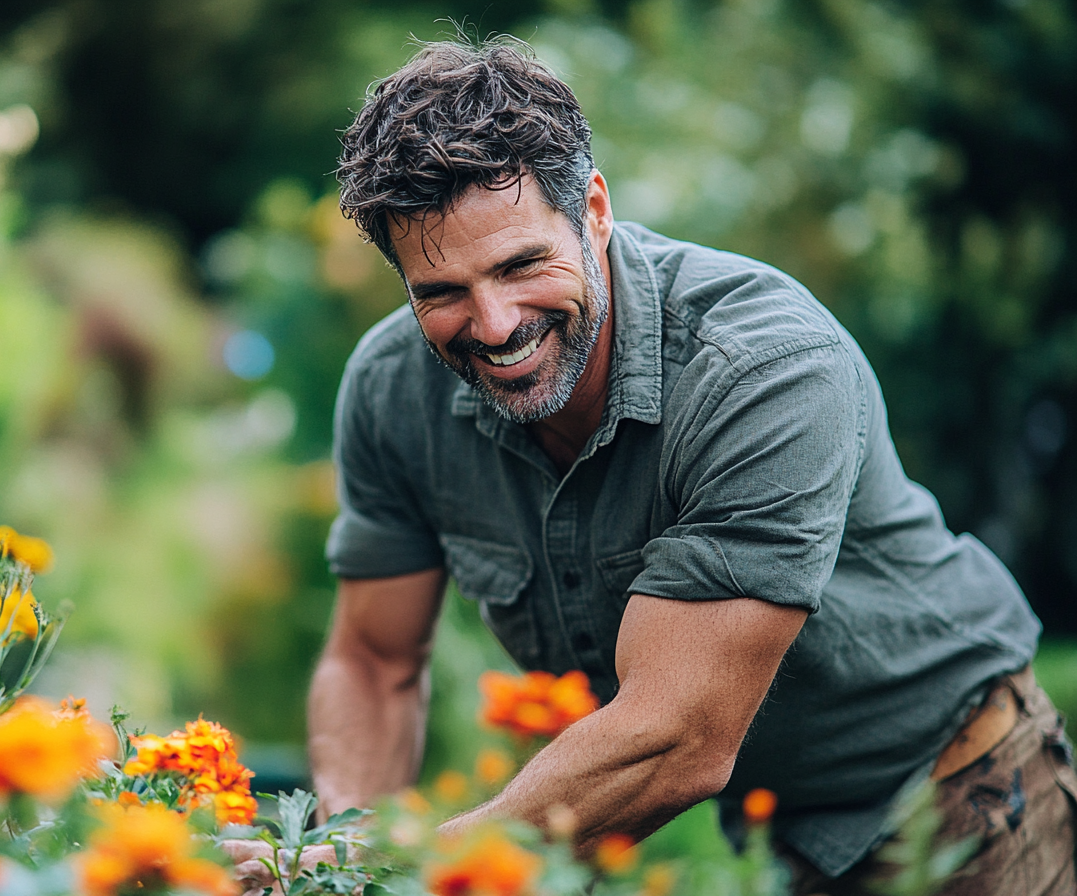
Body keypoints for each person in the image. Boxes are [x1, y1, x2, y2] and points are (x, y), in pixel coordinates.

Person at [232, 38, 1077, 895]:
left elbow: (674, 737)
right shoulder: (389, 390)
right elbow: (375, 661)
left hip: (964, 797)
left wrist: (400, 863)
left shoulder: (763, 371)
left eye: (522, 265)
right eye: (440, 292)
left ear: (594, 211)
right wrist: (330, 857)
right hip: (782, 834)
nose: (492, 324)